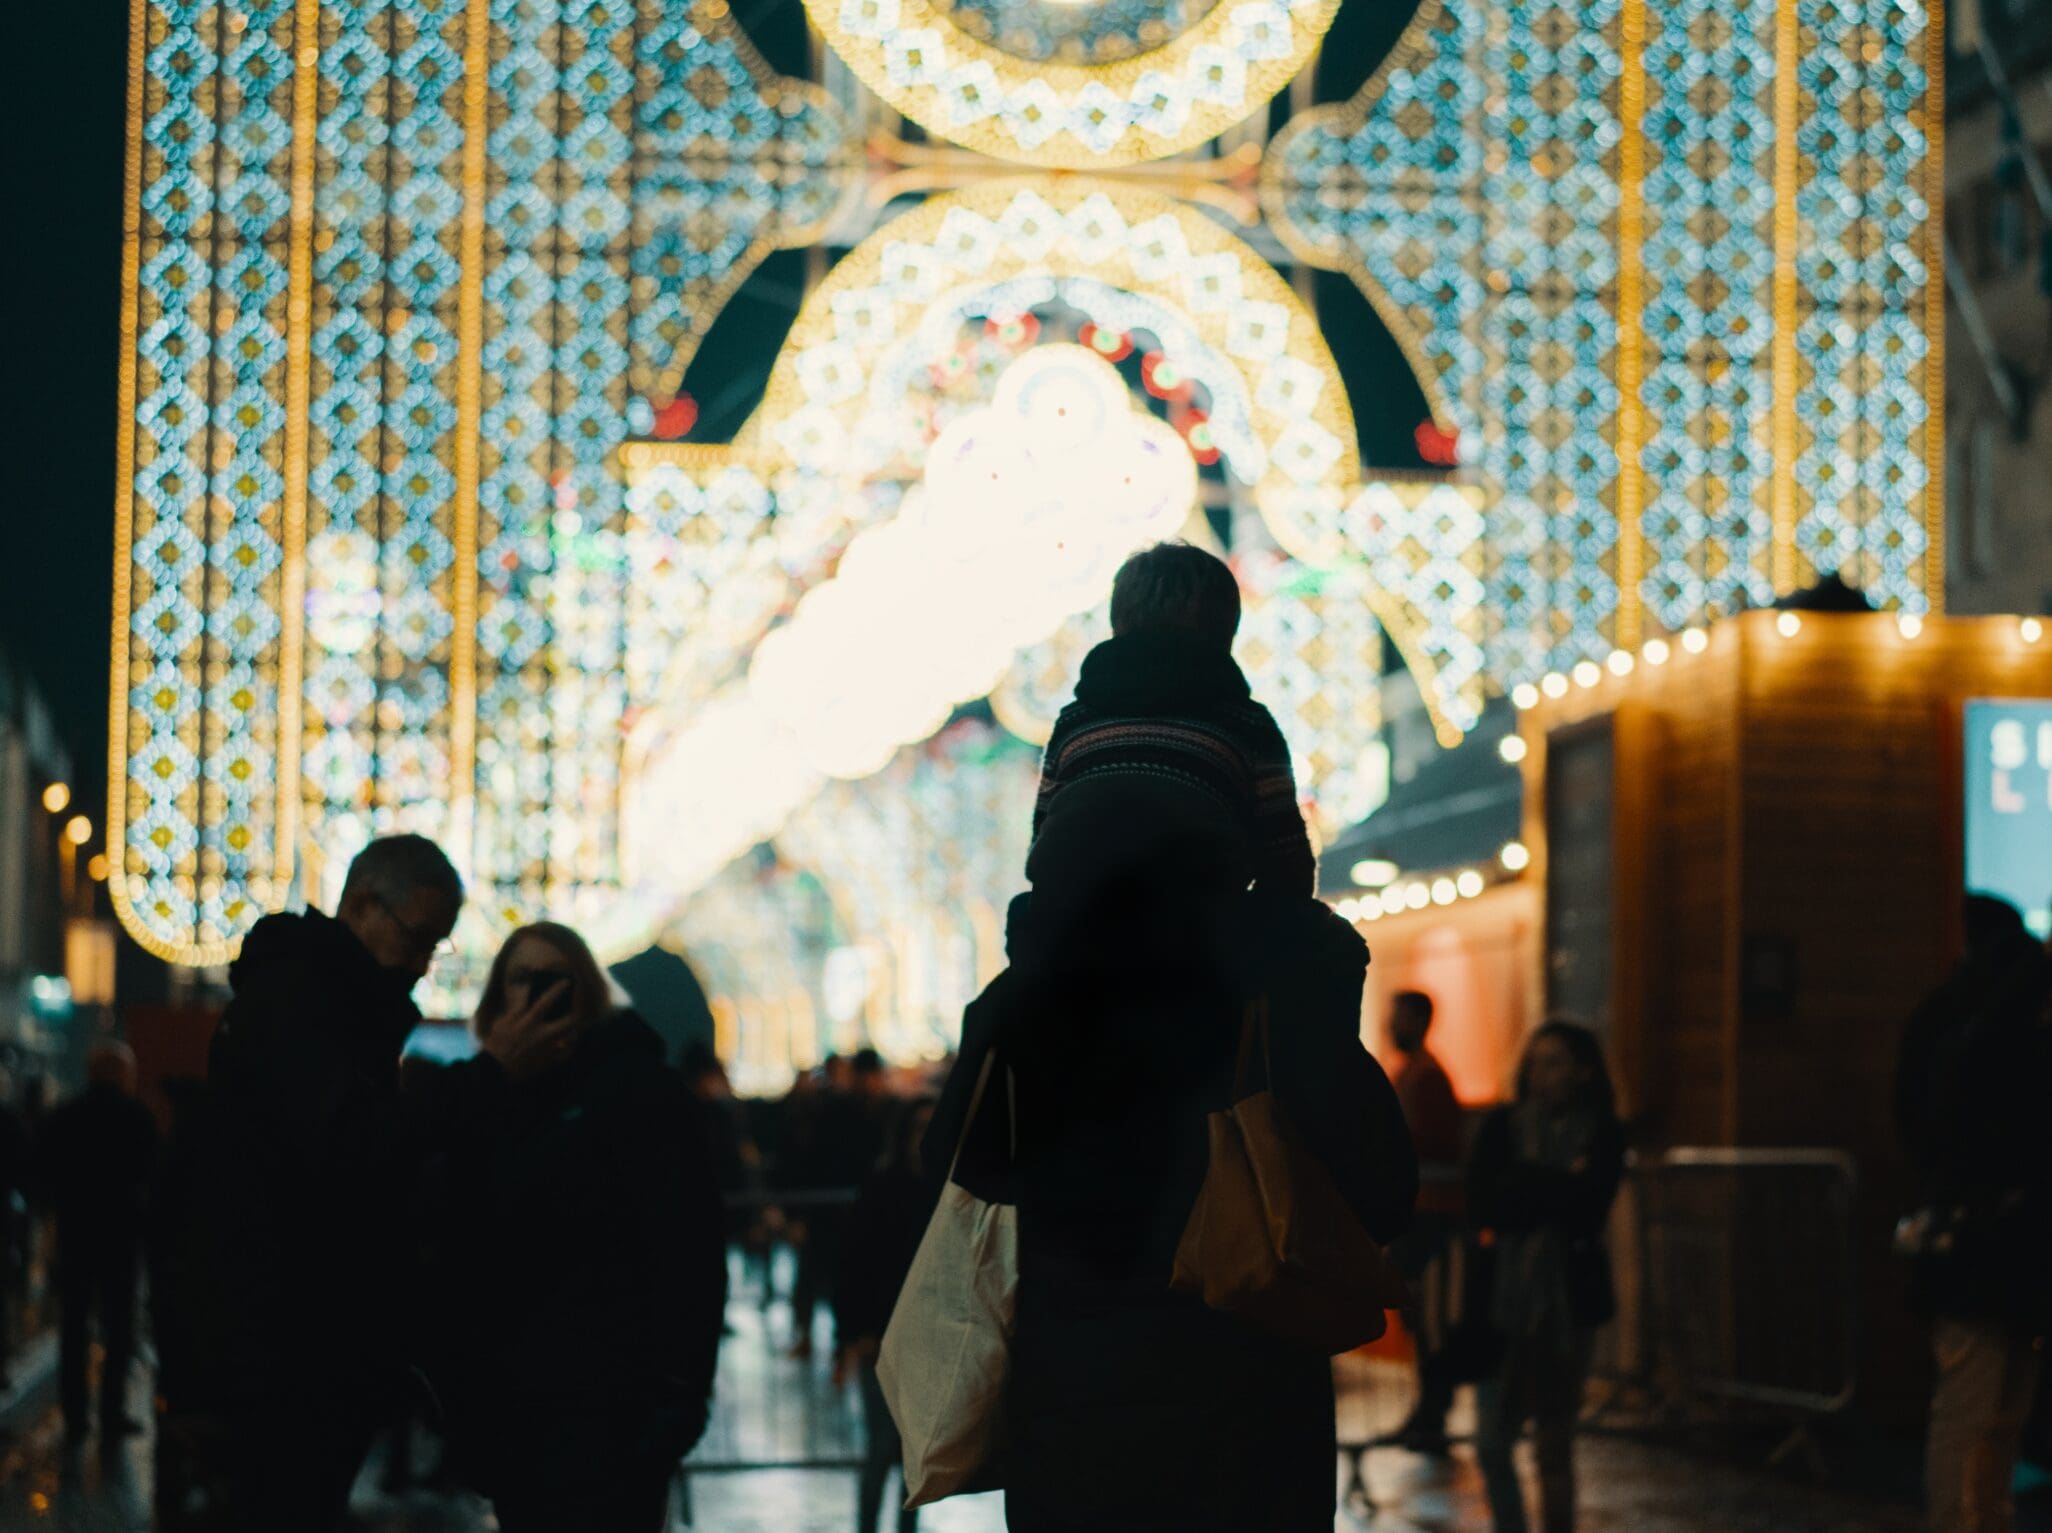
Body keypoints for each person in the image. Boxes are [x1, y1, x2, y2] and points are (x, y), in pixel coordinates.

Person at [930, 763, 1417, 1530]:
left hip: (1073, 1406)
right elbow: (1384, 1186)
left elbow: (953, 1178)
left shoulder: (1016, 1006)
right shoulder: (1266, 999)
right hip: (1247, 1396)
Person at [151, 834, 577, 1531]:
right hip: (280, 1364)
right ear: (360, 902)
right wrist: (487, 1074)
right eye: (415, 938)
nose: (418, 964)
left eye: (433, 947)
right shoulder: (301, 1005)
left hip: (292, 1358)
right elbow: (352, 1148)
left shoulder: (327, 1002)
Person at [427, 922, 730, 1532]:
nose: (536, 996)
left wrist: (680, 1393)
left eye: (554, 981)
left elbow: (689, 1250)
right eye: (520, 980)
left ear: (587, 991)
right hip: (513, 1413)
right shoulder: (480, 1101)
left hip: (617, 1410)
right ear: (494, 999)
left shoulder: (640, 1091)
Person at [1031, 541, 1314, 898]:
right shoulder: (1248, 726)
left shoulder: (1074, 724)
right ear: (1225, 625)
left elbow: (1042, 845)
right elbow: (1289, 865)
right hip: (1202, 942)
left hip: (1069, 942)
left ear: (1119, 620)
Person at [1895, 895, 2052, 1533]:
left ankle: (1970, 1520)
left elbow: (1914, 1123)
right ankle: (1981, 1519)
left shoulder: (1949, 1025)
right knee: (1992, 1410)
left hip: (1971, 1241)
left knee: (1972, 1406)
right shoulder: (2010, 1039)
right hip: (2007, 1247)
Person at [1467, 1020, 1626, 1533]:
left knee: (1554, 1441)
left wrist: (1528, 1186)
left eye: (1554, 1061)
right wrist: (1556, 1184)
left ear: (1583, 1071)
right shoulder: (1504, 1126)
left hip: (1569, 1302)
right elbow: (1487, 1201)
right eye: (1534, 1060)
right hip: (1502, 1302)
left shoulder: (1602, 1131)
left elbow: (1588, 1204)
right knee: (1493, 1440)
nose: (1540, 1073)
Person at [36, 1042, 159, 1455]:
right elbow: (154, 1177)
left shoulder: (66, 1116)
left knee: (74, 1326)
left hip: (76, 1233)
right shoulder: (138, 1118)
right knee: (119, 1329)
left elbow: (45, 1174)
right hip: (121, 1238)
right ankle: (111, 1413)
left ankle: (75, 1414)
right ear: (124, 1075)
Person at [836, 1096, 940, 1533]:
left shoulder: (932, 1191)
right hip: (883, 1333)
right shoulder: (889, 1190)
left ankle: (901, 1528)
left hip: (921, 1336)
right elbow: (855, 1266)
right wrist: (856, 1332)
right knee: (884, 1446)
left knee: (909, 1450)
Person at [1385, 990, 1465, 1454]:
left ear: (1416, 1020)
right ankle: (1426, 1411)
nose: (1390, 1025)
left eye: (1397, 1017)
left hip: (1430, 1213)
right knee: (1421, 1320)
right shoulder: (1415, 1073)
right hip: (1422, 1211)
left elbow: (1431, 1143)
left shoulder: (1426, 1077)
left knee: (1430, 1319)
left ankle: (1431, 1413)